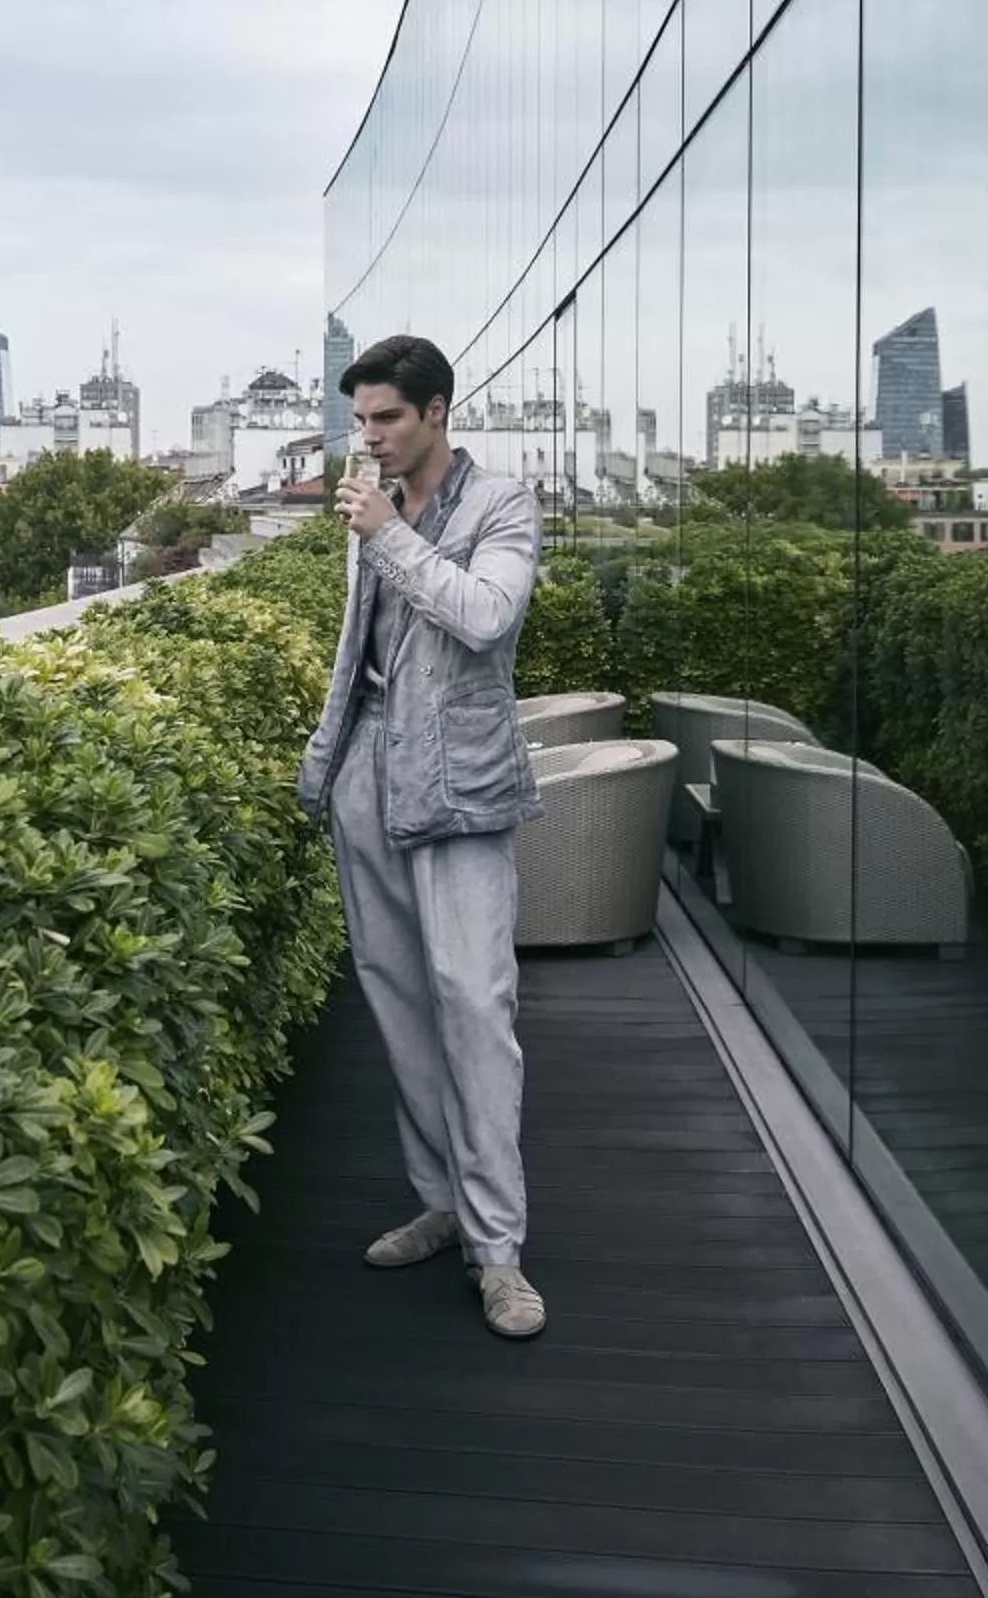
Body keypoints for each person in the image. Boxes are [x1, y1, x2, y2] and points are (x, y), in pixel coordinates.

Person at [295, 333, 550, 1340]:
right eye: (360, 420)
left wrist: (390, 535)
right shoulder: (372, 500)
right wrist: (325, 769)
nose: (371, 437)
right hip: (370, 780)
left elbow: (486, 617)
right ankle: (441, 1202)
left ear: (438, 410)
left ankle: (501, 1253)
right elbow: (361, 653)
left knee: (476, 1006)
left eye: (388, 418)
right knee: (399, 999)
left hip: (463, 788)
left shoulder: (502, 504)